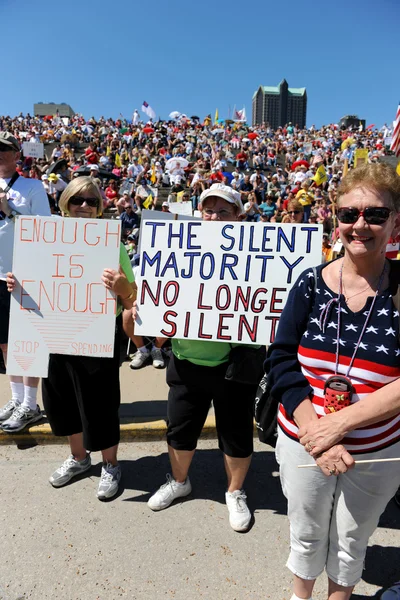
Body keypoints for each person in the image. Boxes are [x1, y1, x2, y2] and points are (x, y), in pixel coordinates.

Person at [266, 163, 400, 600]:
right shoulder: (309, 283)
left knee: (351, 537)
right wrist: (317, 433)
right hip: (303, 437)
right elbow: (281, 360)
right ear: (335, 218)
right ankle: (300, 595)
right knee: (305, 531)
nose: (360, 225)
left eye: (376, 215)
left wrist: (338, 427)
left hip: (377, 448)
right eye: (349, 213)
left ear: (395, 220)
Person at [8, 177, 135, 500]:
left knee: (101, 403)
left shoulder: (111, 242)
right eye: (77, 199)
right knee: (61, 401)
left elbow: (131, 295)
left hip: (98, 335)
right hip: (53, 333)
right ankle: (79, 457)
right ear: (64, 202)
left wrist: (120, 287)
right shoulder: (42, 237)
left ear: (99, 207)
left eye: (91, 201)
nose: (83, 206)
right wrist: (17, 283)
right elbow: (33, 277)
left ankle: (110, 463)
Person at [145, 183, 262, 532]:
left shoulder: (256, 255)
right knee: (180, 428)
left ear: (238, 217)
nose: (213, 217)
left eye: (222, 211)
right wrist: (155, 323)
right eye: (208, 210)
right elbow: (159, 316)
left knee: (236, 432)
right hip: (186, 361)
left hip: (236, 363)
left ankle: (235, 491)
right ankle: (180, 482)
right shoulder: (178, 250)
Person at [0, 132, 51, 432]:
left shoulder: (33, 187)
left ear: (18, 154)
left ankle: (30, 404)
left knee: (27, 342)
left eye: (7, 150)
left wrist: (9, 211)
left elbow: (44, 229)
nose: (2, 155)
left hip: (25, 273)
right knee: (5, 343)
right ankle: (17, 398)